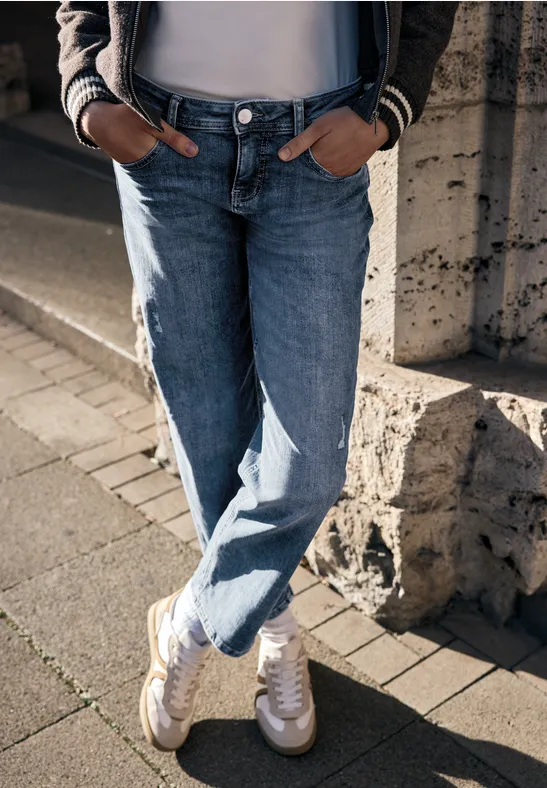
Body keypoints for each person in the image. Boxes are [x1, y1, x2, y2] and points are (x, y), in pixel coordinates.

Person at [57, 0, 458, 756]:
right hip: (161, 139)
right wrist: (86, 93)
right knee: (208, 428)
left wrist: (384, 117)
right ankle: (273, 625)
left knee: (307, 461)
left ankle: (190, 620)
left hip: (314, 147)